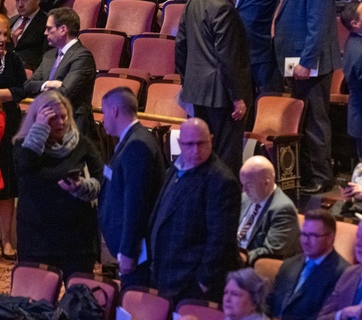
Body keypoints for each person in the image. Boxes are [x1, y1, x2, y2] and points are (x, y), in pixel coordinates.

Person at [272, 0, 339, 194]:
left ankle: (323, 176)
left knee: (314, 120)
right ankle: (310, 172)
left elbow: (318, 25)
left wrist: (306, 61)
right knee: (306, 117)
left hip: (311, 64)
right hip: (296, 61)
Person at [175, 0, 253, 177]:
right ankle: (225, 204)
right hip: (222, 96)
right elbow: (227, 56)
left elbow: (181, 45)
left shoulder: (194, 1)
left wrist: (186, 79)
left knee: (201, 153)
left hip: (197, 91)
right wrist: (238, 97)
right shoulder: (224, 8)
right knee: (226, 157)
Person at [148, 118, 241, 303]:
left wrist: (203, 282)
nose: (196, 150)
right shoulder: (176, 168)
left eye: (201, 143)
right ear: (179, 144)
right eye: (189, 144)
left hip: (191, 284)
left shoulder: (221, 180)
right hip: (166, 275)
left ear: (211, 140)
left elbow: (220, 239)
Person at [14, 90, 101, 278]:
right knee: (34, 304)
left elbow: (102, 178)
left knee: (78, 302)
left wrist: (82, 187)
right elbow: (24, 166)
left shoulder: (82, 144)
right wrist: (40, 130)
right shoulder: (23, 146)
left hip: (78, 240)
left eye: (64, 117)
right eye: (53, 118)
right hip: (38, 240)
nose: (61, 123)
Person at [98, 87, 163, 288]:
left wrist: (128, 251)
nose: (102, 118)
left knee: (136, 301)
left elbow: (136, 203)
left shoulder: (138, 144)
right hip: (132, 248)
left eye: (103, 111)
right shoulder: (132, 139)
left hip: (137, 253)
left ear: (115, 111)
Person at [267, 210, 348, 320]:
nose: (305, 241)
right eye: (303, 234)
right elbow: (270, 299)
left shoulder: (342, 273)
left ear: (330, 238)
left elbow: (324, 317)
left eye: (313, 236)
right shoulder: (290, 264)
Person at [18, 7, 96, 136]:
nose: (45, 33)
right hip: (46, 124)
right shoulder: (49, 55)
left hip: (72, 126)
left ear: (63, 30)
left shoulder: (82, 57)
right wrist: (49, 84)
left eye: (49, 29)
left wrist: (43, 87)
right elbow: (27, 86)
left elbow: (64, 94)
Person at [236, 156, 299, 263]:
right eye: (243, 184)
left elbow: (273, 252)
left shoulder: (282, 209)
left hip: (254, 267)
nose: (244, 190)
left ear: (266, 183)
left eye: (249, 185)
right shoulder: (245, 198)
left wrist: (237, 257)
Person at [0, 14, 25, 259]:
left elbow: (22, 89)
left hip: (8, 126)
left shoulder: (13, 60)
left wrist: (2, 94)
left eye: (5, 34)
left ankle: (7, 241)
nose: (2, 39)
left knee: (6, 186)